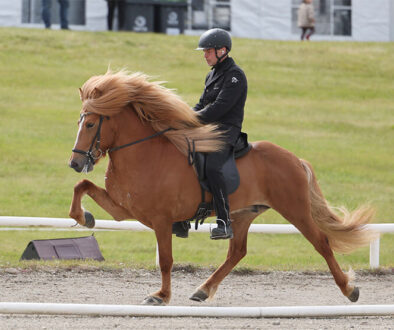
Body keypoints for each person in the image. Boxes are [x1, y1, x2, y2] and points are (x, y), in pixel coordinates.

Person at [193, 28, 248, 240]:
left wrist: (192, 120)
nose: (204, 55)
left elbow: (219, 108)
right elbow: (201, 104)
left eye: (208, 51)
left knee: (214, 166)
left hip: (226, 130)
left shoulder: (235, 76)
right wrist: (180, 117)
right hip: (208, 128)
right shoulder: (212, 74)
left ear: (222, 50)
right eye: (204, 51)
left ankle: (224, 222)